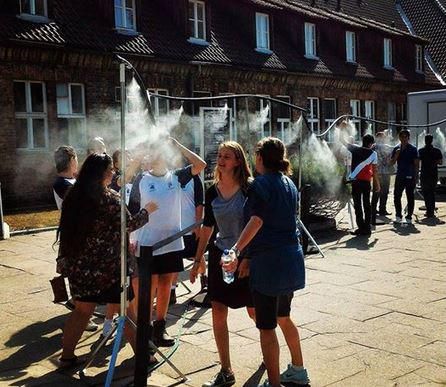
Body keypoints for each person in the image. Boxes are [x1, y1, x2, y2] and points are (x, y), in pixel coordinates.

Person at [57, 153, 158, 365]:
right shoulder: (111, 199)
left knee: (82, 311)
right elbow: (129, 225)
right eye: (110, 169)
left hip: (80, 268)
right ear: (101, 173)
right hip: (111, 269)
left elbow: (65, 232)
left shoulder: (73, 196)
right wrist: (147, 211)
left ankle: (66, 356)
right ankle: (143, 357)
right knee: (128, 312)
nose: (113, 173)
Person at [229, 137, 309, 387]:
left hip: (269, 264)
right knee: (284, 317)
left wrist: (236, 250)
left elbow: (257, 221)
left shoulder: (259, 185)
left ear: (260, 158)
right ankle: (298, 370)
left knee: (267, 327)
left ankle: (274, 383)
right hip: (291, 260)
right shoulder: (289, 184)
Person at [190, 141, 255, 387]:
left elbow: (259, 224)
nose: (221, 159)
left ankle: (269, 351)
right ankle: (226, 370)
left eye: (227, 156)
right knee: (218, 309)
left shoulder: (250, 189)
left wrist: (247, 256)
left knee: (254, 312)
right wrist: (198, 260)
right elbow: (208, 227)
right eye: (220, 155)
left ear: (238, 161)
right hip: (221, 255)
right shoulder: (212, 191)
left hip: (246, 257)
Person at [135, 137, 206, 347]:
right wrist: (132, 238)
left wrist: (177, 144)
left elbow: (200, 165)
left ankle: (160, 327)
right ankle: (145, 328)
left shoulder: (177, 177)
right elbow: (132, 209)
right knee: (151, 286)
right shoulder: (142, 178)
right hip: (148, 242)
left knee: (167, 283)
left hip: (171, 242)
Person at [170, 173, 204, 305]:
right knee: (175, 261)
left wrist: (198, 225)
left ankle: (204, 279)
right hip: (176, 229)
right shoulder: (172, 176)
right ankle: (172, 292)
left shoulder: (195, 179)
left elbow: (199, 204)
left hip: (191, 226)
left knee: (198, 257)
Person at [343, 134, 380, 236]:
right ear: (370, 143)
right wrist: (377, 184)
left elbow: (342, 140)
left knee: (358, 205)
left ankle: (361, 228)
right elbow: (375, 171)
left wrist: (342, 127)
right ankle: (367, 228)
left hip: (356, 182)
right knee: (366, 205)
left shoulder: (355, 149)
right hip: (366, 182)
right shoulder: (374, 154)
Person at [391, 129, 419, 224]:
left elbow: (416, 164)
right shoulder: (396, 148)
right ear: (399, 138)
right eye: (401, 137)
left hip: (410, 176)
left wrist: (416, 177)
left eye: (405, 137)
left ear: (408, 138)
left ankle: (409, 217)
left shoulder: (413, 149)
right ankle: (398, 215)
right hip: (400, 175)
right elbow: (392, 162)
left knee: (410, 196)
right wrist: (396, 155)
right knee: (396, 196)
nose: (403, 139)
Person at [418, 134, 443, 218]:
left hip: (424, 174)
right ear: (432, 140)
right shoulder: (437, 151)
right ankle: (431, 210)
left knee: (425, 192)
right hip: (433, 174)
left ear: (425, 141)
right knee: (432, 192)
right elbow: (440, 162)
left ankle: (429, 210)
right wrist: (434, 162)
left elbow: (417, 162)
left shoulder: (421, 151)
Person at [371, 131, 394, 219]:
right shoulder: (386, 147)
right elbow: (394, 150)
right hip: (385, 173)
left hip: (376, 173)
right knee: (384, 192)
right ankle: (382, 209)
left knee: (376, 192)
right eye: (383, 137)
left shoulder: (373, 147)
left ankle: (373, 209)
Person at [53, 146, 78, 210]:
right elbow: (81, 200)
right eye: (76, 159)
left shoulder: (74, 180)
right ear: (72, 159)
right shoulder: (60, 184)